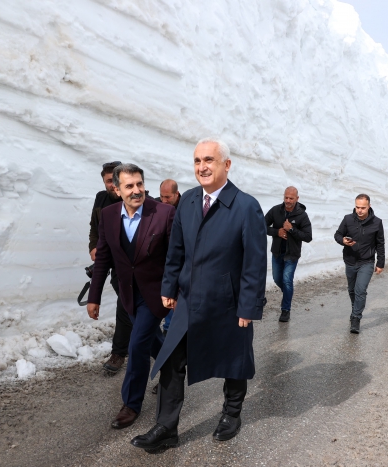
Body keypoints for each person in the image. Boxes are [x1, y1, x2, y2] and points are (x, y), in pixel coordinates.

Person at [130, 138, 267, 451]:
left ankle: (231, 414)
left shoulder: (246, 206)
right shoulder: (189, 200)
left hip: (229, 302)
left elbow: (255, 262)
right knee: (170, 359)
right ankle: (166, 428)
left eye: (209, 160)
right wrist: (169, 286)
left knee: (234, 360)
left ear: (226, 165)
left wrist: (248, 306)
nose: (202, 167)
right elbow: (175, 250)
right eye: (197, 161)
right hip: (190, 299)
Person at [86, 163, 175, 430]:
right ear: (117, 189)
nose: (136, 190)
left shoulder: (163, 213)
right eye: (129, 186)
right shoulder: (109, 215)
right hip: (127, 292)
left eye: (139, 184)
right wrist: (94, 296)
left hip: (156, 293)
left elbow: (176, 257)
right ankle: (173, 364)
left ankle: (131, 404)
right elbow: (103, 258)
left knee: (137, 345)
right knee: (149, 339)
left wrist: (174, 290)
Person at [88, 162, 132, 373]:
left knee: (125, 306)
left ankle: (119, 353)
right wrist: (93, 247)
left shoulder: (134, 199)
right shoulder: (101, 199)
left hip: (135, 267)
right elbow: (94, 228)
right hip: (113, 265)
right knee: (129, 307)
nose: (112, 185)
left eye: (115, 180)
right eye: (108, 181)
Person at [333, 194, 385, 334]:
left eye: (363, 208)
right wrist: (343, 241)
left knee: (360, 290)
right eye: (357, 207)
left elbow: (380, 244)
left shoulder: (377, 222)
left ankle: (356, 318)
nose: (360, 210)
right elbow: (337, 234)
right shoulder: (348, 219)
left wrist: (380, 263)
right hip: (350, 260)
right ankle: (355, 309)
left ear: (369, 206)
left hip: (367, 262)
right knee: (351, 290)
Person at [264, 187, 312, 322]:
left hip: (292, 254)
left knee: (287, 280)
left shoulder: (302, 215)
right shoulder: (275, 210)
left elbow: (308, 236)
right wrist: (276, 232)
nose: (288, 200)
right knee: (277, 279)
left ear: (297, 198)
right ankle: (288, 294)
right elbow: (261, 225)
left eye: (291, 198)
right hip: (277, 252)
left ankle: (285, 310)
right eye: (286, 197)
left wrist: (291, 229)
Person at [155, 179, 181, 335]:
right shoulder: (156, 206)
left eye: (168, 197)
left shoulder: (187, 207)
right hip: (161, 259)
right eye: (161, 196)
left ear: (176, 194)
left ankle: (172, 329)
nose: (164, 201)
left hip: (180, 259)